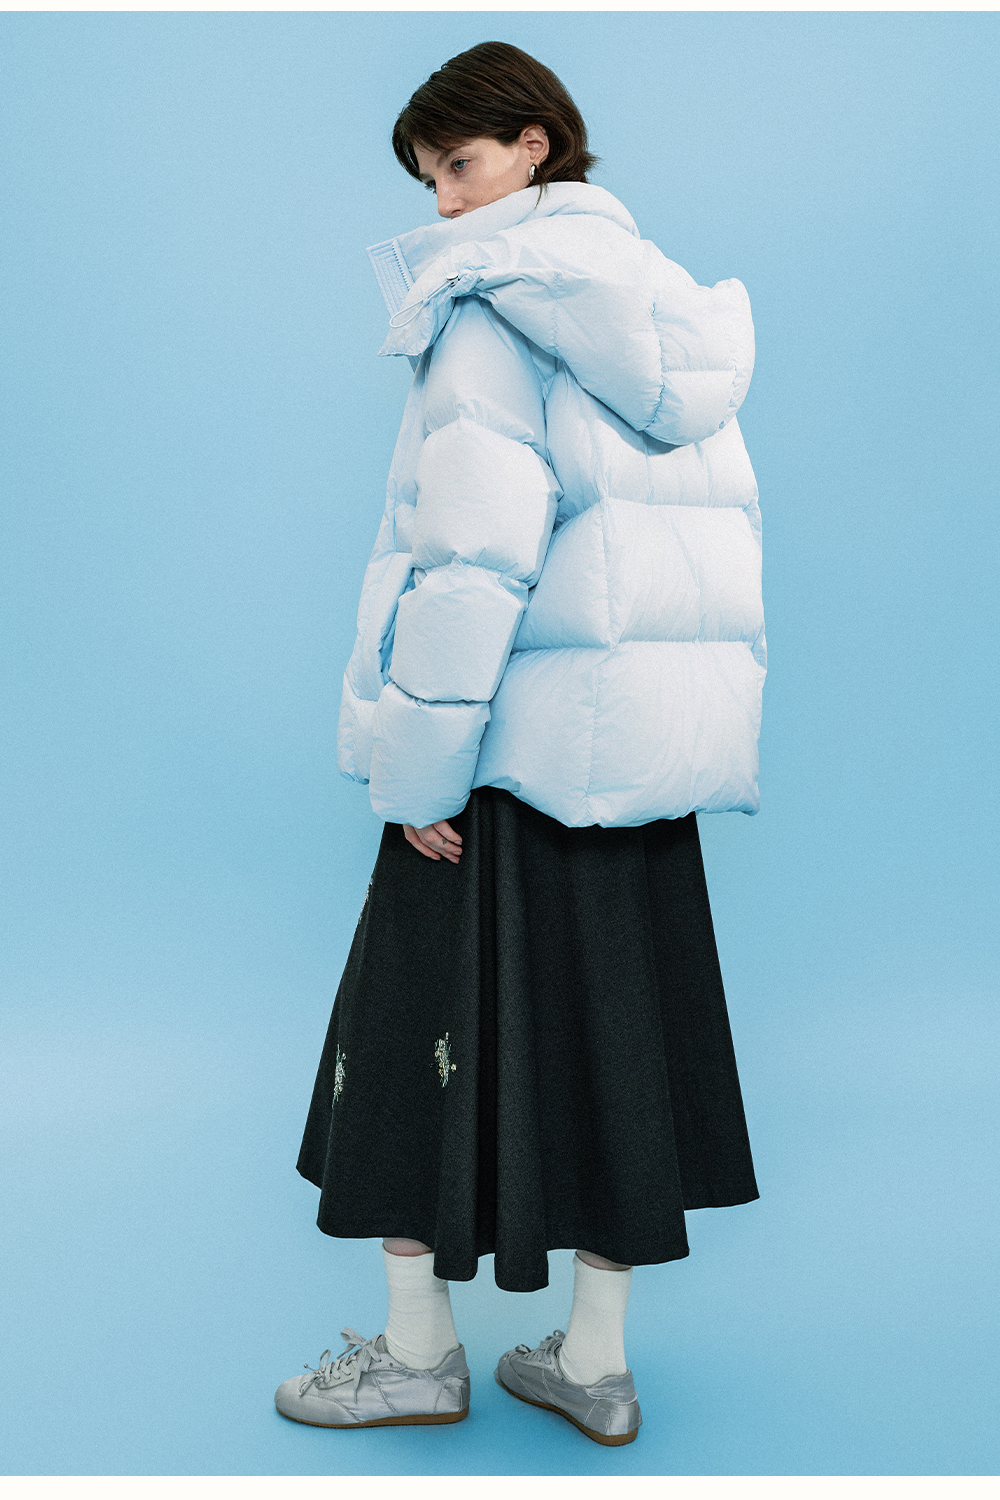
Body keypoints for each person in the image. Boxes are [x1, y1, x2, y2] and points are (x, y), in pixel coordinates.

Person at [274, 40, 764, 1447]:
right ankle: (595, 1367)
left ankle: (417, 1352)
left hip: (502, 755)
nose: (442, 204)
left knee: (404, 1032)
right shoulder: (667, 313)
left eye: (460, 165)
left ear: (535, 145)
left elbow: (473, 560)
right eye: (429, 180)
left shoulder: (490, 307)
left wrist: (416, 772)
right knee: (617, 1049)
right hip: (636, 768)